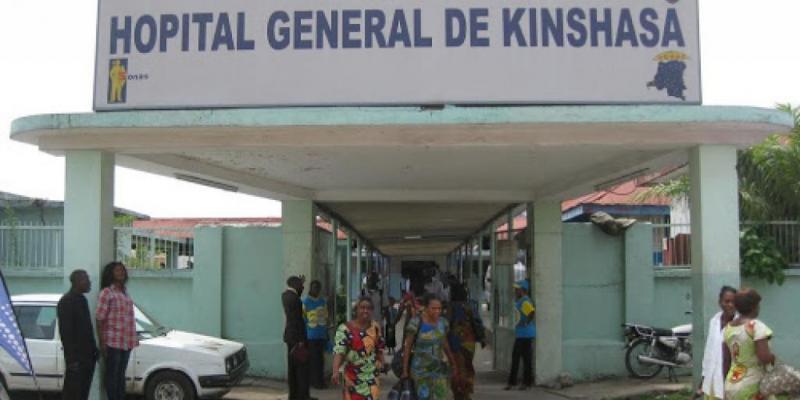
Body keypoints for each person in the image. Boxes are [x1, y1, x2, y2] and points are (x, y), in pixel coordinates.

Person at [723, 288, 781, 400]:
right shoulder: (755, 326)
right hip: (753, 384)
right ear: (754, 307)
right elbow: (764, 357)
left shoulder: (728, 328)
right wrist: (772, 358)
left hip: (732, 382)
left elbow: (727, 358)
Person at [402, 294, 459, 400]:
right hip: (420, 371)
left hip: (439, 369)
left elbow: (445, 344)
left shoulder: (443, 323)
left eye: (439, 309)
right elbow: (407, 347)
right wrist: (405, 370)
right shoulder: (416, 322)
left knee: (441, 396)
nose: (437, 311)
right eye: (434, 308)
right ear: (426, 307)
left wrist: (453, 363)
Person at [96, 262, 138, 400]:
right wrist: (102, 342)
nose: (121, 273)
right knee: (112, 376)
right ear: (110, 274)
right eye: (117, 271)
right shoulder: (107, 292)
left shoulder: (125, 292)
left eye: (122, 270)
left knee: (121, 376)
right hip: (113, 342)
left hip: (127, 341)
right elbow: (100, 318)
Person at [331, 297, 386, 400]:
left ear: (372, 311)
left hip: (372, 377)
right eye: (362, 307)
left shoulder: (375, 327)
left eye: (369, 308)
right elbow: (339, 352)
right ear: (356, 309)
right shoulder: (345, 329)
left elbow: (379, 349)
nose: (365, 310)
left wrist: (383, 364)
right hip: (351, 378)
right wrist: (335, 371)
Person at [58, 269, 98, 400]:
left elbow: (87, 329)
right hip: (76, 360)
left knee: (83, 393)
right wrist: (72, 360)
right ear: (77, 282)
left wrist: (94, 351)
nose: (89, 283)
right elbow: (66, 333)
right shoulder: (66, 301)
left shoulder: (82, 300)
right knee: (73, 394)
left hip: (88, 358)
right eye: (86, 280)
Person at [447, 283, 486, 400]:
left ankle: (458, 392)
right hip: (469, 342)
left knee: (456, 367)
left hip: (454, 342)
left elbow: (447, 324)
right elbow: (477, 323)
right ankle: (466, 390)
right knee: (468, 366)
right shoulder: (470, 306)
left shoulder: (450, 307)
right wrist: (482, 338)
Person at [698, 286, 737, 400]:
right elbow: (709, 351)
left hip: (731, 378)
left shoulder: (739, 324)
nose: (730, 305)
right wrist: (703, 379)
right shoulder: (714, 321)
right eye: (727, 301)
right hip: (712, 378)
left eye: (733, 302)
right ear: (720, 302)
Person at [283, 276, 314, 400]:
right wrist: (301, 340)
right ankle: (303, 396)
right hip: (297, 339)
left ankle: (294, 395)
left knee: (293, 369)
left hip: (290, 337)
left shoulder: (286, 296)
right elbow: (297, 321)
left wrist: (300, 282)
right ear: (295, 285)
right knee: (302, 369)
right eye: (301, 286)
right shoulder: (295, 299)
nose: (303, 288)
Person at [505, 279, 535, 391]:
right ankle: (517, 382)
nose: (515, 291)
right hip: (522, 334)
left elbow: (531, 312)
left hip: (525, 334)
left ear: (522, 290)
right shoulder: (521, 300)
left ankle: (522, 383)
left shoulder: (525, 301)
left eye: (517, 289)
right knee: (521, 358)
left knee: (521, 358)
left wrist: (526, 322)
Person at [304, 280, 329, 390]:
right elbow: (303, 319)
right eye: (314, 287)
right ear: (310, 288)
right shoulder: (305, 302)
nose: (316, 290)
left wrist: (326, 332)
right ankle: (315, 382)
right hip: (311, 336)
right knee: (314, 360)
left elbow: (326, 317)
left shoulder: (323, 301)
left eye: (318, 288)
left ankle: (320, 380)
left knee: (321, 360)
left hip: (321, 335)